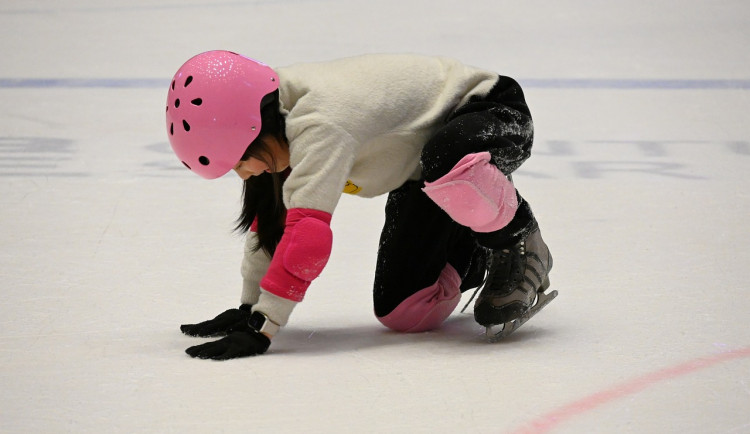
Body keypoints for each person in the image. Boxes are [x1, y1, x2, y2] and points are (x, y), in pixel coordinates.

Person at [166, 50, 554, 360]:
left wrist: (263, 327)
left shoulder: (320, 123)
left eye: (238, 161)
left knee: (448, 158)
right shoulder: (268, 116)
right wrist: (249, 307)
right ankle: (474, 237)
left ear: (252, 129)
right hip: (422, 170)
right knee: (407, 313)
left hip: (492, 111)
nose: (243, 174)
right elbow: (270, 225)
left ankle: (516, 240)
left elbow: (307, 241)